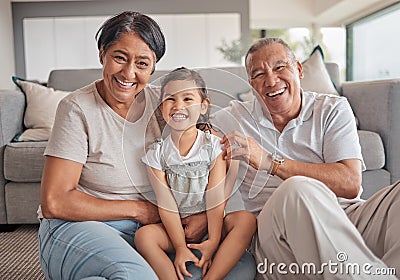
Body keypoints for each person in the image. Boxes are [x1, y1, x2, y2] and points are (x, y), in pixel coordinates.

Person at [38, 11, 255, 280]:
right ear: (101, 54)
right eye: (119, 57)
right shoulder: (76, 108)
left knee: (241, 268)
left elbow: (202, 150)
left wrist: (203, 214)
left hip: (151, 230)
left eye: (142, 63)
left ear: (153, 67)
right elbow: (55, 202)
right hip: (85, 226)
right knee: (136, 275)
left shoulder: (165, 104)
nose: (129, 73)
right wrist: (140, 210)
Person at [212, 37, 400, 279]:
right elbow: (187, 133)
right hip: (277, 237)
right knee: (297, 190)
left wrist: (270, 162)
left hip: (347, 216)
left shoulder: (332, 109)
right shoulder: (232, 118)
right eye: (259, 74)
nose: (271, 80)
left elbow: (351, 184)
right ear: (251, 84)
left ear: (298, 70)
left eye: (280, 67)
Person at [136, 67, 257, 280]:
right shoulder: (156, 153)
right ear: (162, 107)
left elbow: (215, 195)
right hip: (178, 228)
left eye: (187, 98)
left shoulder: (212, 146)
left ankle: (212, 277)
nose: (178, 106)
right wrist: (180, 247)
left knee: (246, 220)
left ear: (203, 106)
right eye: (170, 99)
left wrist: (214, 238)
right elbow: (166, 204)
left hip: (212, 224)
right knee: (144, 236)